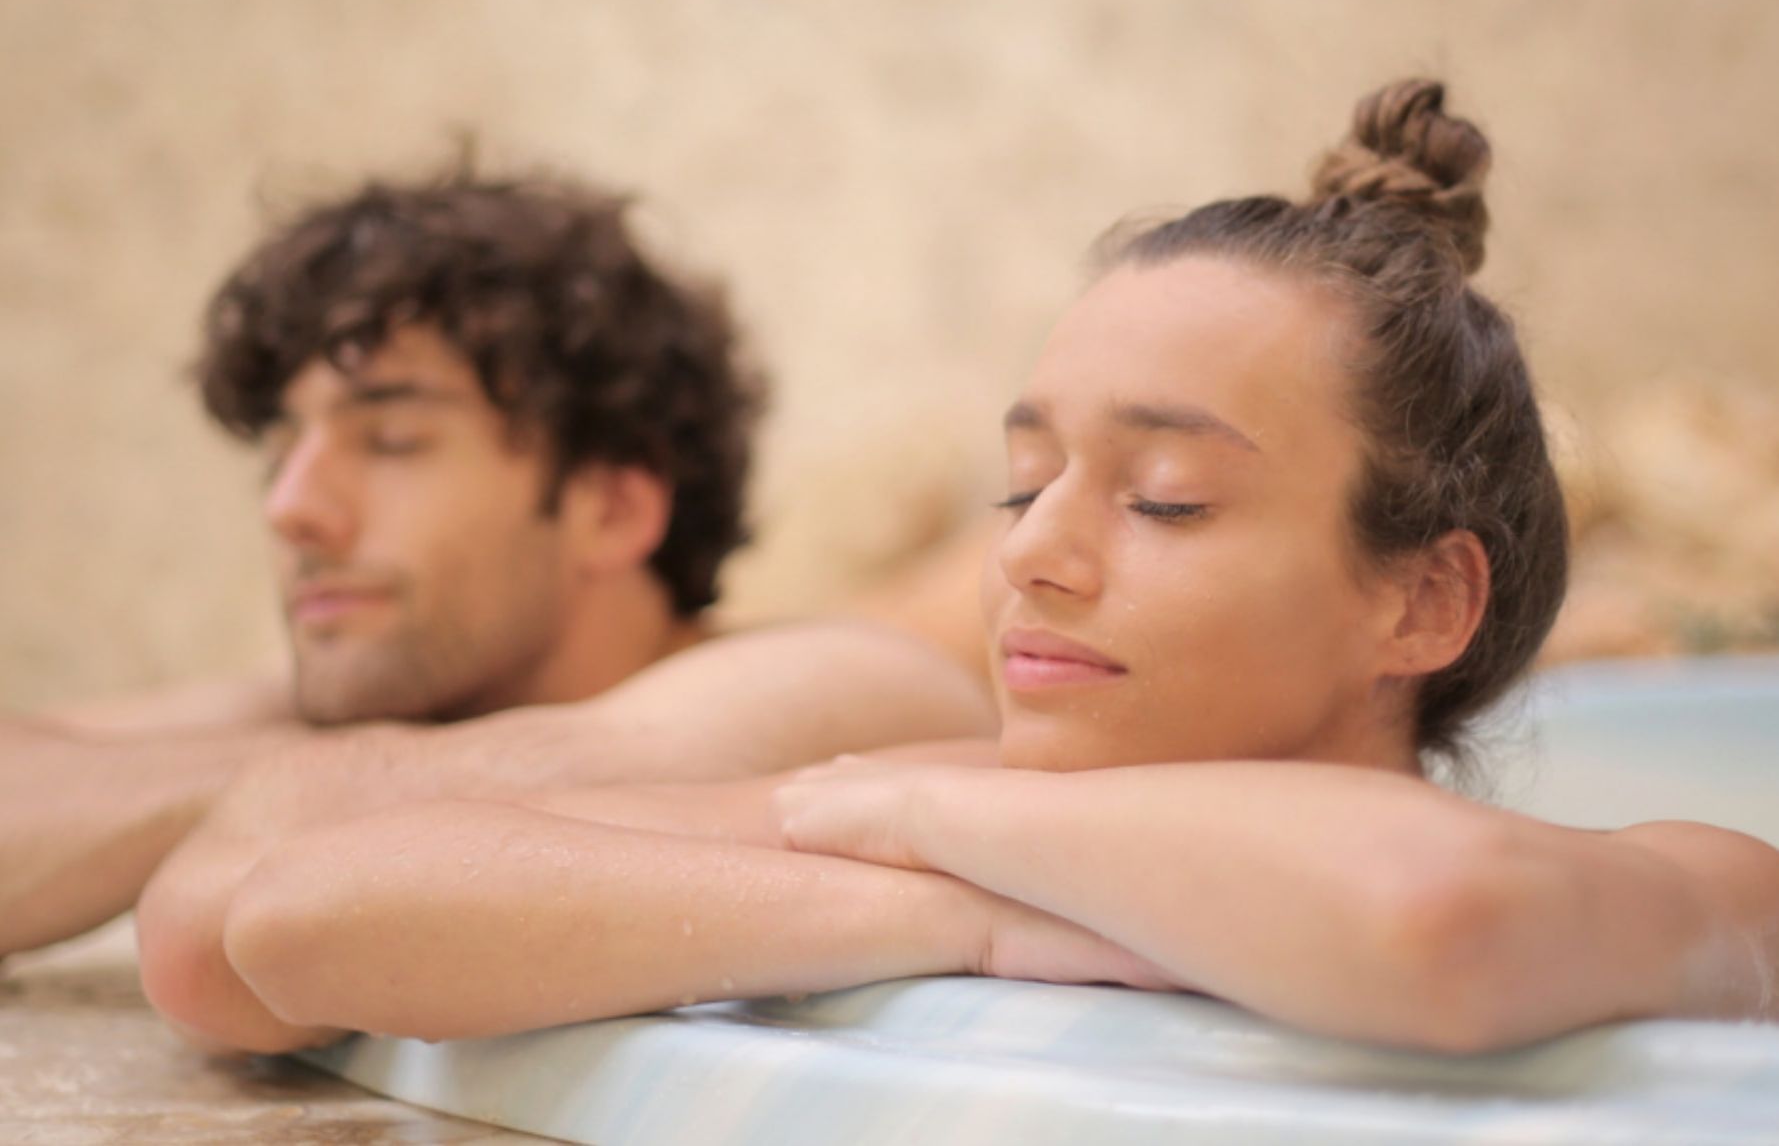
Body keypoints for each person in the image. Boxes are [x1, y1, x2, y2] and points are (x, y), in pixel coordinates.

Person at [141, 80, 1779, 1056]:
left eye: (1163, 499)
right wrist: (963, 913)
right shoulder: (930, 815)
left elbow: (1433, 920)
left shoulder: (1695, 876)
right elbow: (293, 915)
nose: (1032, 555)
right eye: (1021, 482)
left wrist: (939, 827)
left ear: (1418, 597)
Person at [0, 169, 995, 962]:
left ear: (612, 506)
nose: (290, 507)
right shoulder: (394, 708)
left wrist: (297, 781)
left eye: (391, 439)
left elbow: (282, 867)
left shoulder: (831, 685)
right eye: (281, 448)